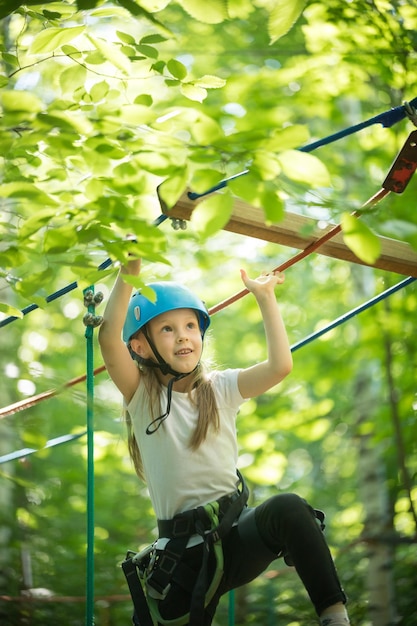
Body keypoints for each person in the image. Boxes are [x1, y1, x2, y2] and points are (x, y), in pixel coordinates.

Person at [98, 256, 350, 626]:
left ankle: (335, 616)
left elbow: (279, 367)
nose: (183, 335)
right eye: (167, 329)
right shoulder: (142, 396)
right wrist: (129, 274)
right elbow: (108, 336)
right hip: (183, 557)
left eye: (189, 325)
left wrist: (265, 298)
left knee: (288, 508)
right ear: (139, 346)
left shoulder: (221, 389)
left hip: (234, 536)